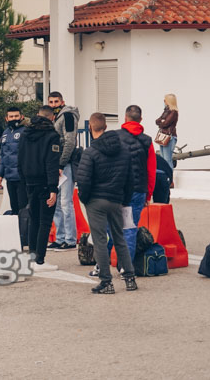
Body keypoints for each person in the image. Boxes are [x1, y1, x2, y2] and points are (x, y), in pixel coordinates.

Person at [76, 112, 137, 294]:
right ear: (106, 127)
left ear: (90, 128)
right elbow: (130, 180)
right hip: (116, 200)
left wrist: (85, 199)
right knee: (120, 238)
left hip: (96, 200)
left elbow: (84, 180)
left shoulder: (90, 152)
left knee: (100, 241)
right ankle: (130, 278)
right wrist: (124, 200)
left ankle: (106, 282)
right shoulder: (124, 151)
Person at [17, 106, 62, 270]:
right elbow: (51, 163)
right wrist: (53, 188)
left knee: (33, 219)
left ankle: (32, 256)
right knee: (45, 221)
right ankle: (40, 260)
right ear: (52, 118)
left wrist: (23, 180)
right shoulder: (52, 136)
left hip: (29, 182)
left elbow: (19, 159)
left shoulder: (25, 134)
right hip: (44, 183)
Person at [118, 104, 156, 259]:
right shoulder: (147, 141)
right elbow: (151, 170)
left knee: (110, 227)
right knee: (130, 228)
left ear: (125, 117)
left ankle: (101, 265)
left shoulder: (115, 137)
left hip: (117, 189)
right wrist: (148, 195)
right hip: (137, 190)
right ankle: (126, 268)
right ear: (140, 119)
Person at [47, 91, 80, 251]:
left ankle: (70, 239)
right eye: (51, 102)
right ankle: (60, 238)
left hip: (65, 164)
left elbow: (70, 141)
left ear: (62, 102)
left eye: (56, 102)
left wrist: (61, 163)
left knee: (66, 203)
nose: (53, 105)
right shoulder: (57, 117)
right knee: (57, 204)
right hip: (57, 164)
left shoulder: (67, 116)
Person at [0, 107, 28, 214]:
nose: (14, 118)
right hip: (9, 177)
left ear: (21, 117)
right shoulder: (5, 133)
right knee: (14, 207)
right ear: (6, 118)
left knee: (23, 208)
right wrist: (0, 174)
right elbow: (3, 155)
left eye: (16, 116)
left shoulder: (26, 131)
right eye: (11, 116)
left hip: (22, 177)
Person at [155, 94, 179, 174]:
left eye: (165, 100)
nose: (164, 101)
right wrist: (161, 121)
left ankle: (170, 180)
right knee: (163, 159)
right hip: (163, 137)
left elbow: (165, 123)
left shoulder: (173, 112)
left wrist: (162, 121)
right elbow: (157, 121)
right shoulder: (166, 111)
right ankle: (166, 178)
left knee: (167, 160)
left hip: (169, 138)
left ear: (169, 101)